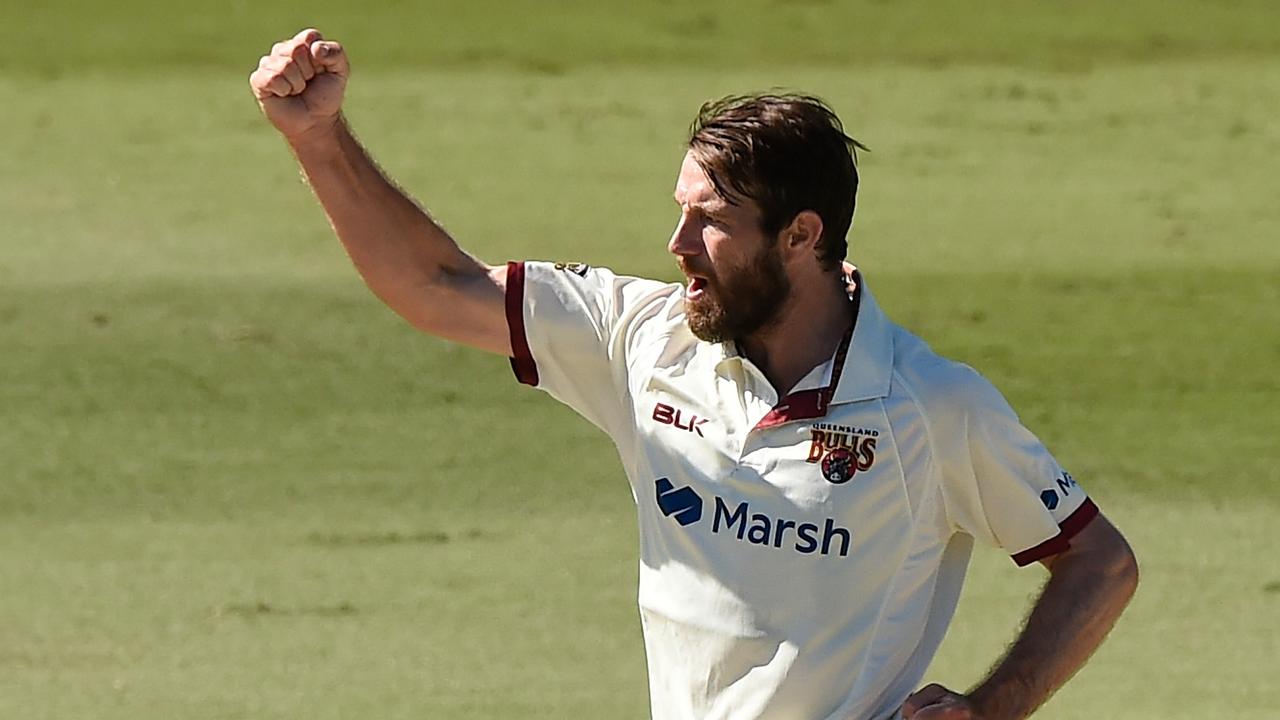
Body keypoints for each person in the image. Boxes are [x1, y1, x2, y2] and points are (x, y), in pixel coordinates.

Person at [249, 28, 1139, 720]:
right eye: (680, 211)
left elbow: (1098, 562)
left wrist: (993, 705)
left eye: (710, 221)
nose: (677, 247)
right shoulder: (642, 338)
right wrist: (319, 140)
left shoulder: (931, 408)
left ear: (802, 236)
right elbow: (433, 285)